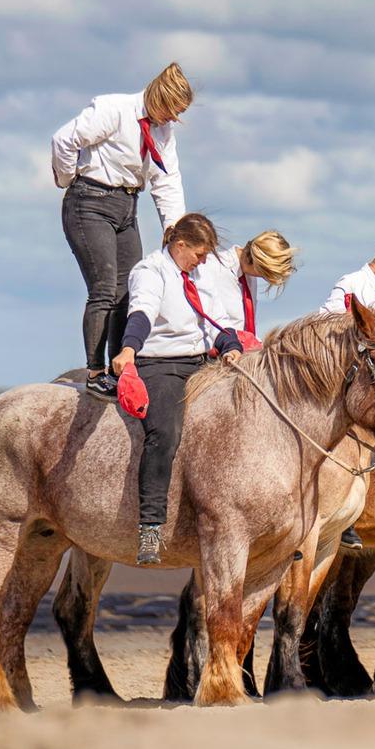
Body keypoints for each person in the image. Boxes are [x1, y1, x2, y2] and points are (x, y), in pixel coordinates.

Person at [54, 62, 193, 396]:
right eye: (172, 110)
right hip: (90, 200)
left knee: (129, 289)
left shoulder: (163, 133)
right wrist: (68, 178)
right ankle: (95, 372)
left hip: (127, 206)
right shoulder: (114, 109)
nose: (173, 118)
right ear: (159, 97)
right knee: (104, 288)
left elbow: (167, 180)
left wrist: (176, 230)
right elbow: (64, 140)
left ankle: (121, 369)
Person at [109, 213, 231, 565]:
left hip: (202, 363)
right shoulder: (150, 271)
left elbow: (218, 321)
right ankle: (150, 525)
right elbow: (142, 314)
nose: (202, 261)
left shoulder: (201, 274)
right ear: (180, 245)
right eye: (199, 254)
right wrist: (128, 349)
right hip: (161, 364)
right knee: (165, 433)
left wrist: (231, 345)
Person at [188, 230, 298, 355]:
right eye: (265, 273)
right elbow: (206, 322)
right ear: (258, 263)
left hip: (240, 356)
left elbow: (244, 326)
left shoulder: (249, 277)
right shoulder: (211, 268)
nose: (263, 278)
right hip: (215, 355)